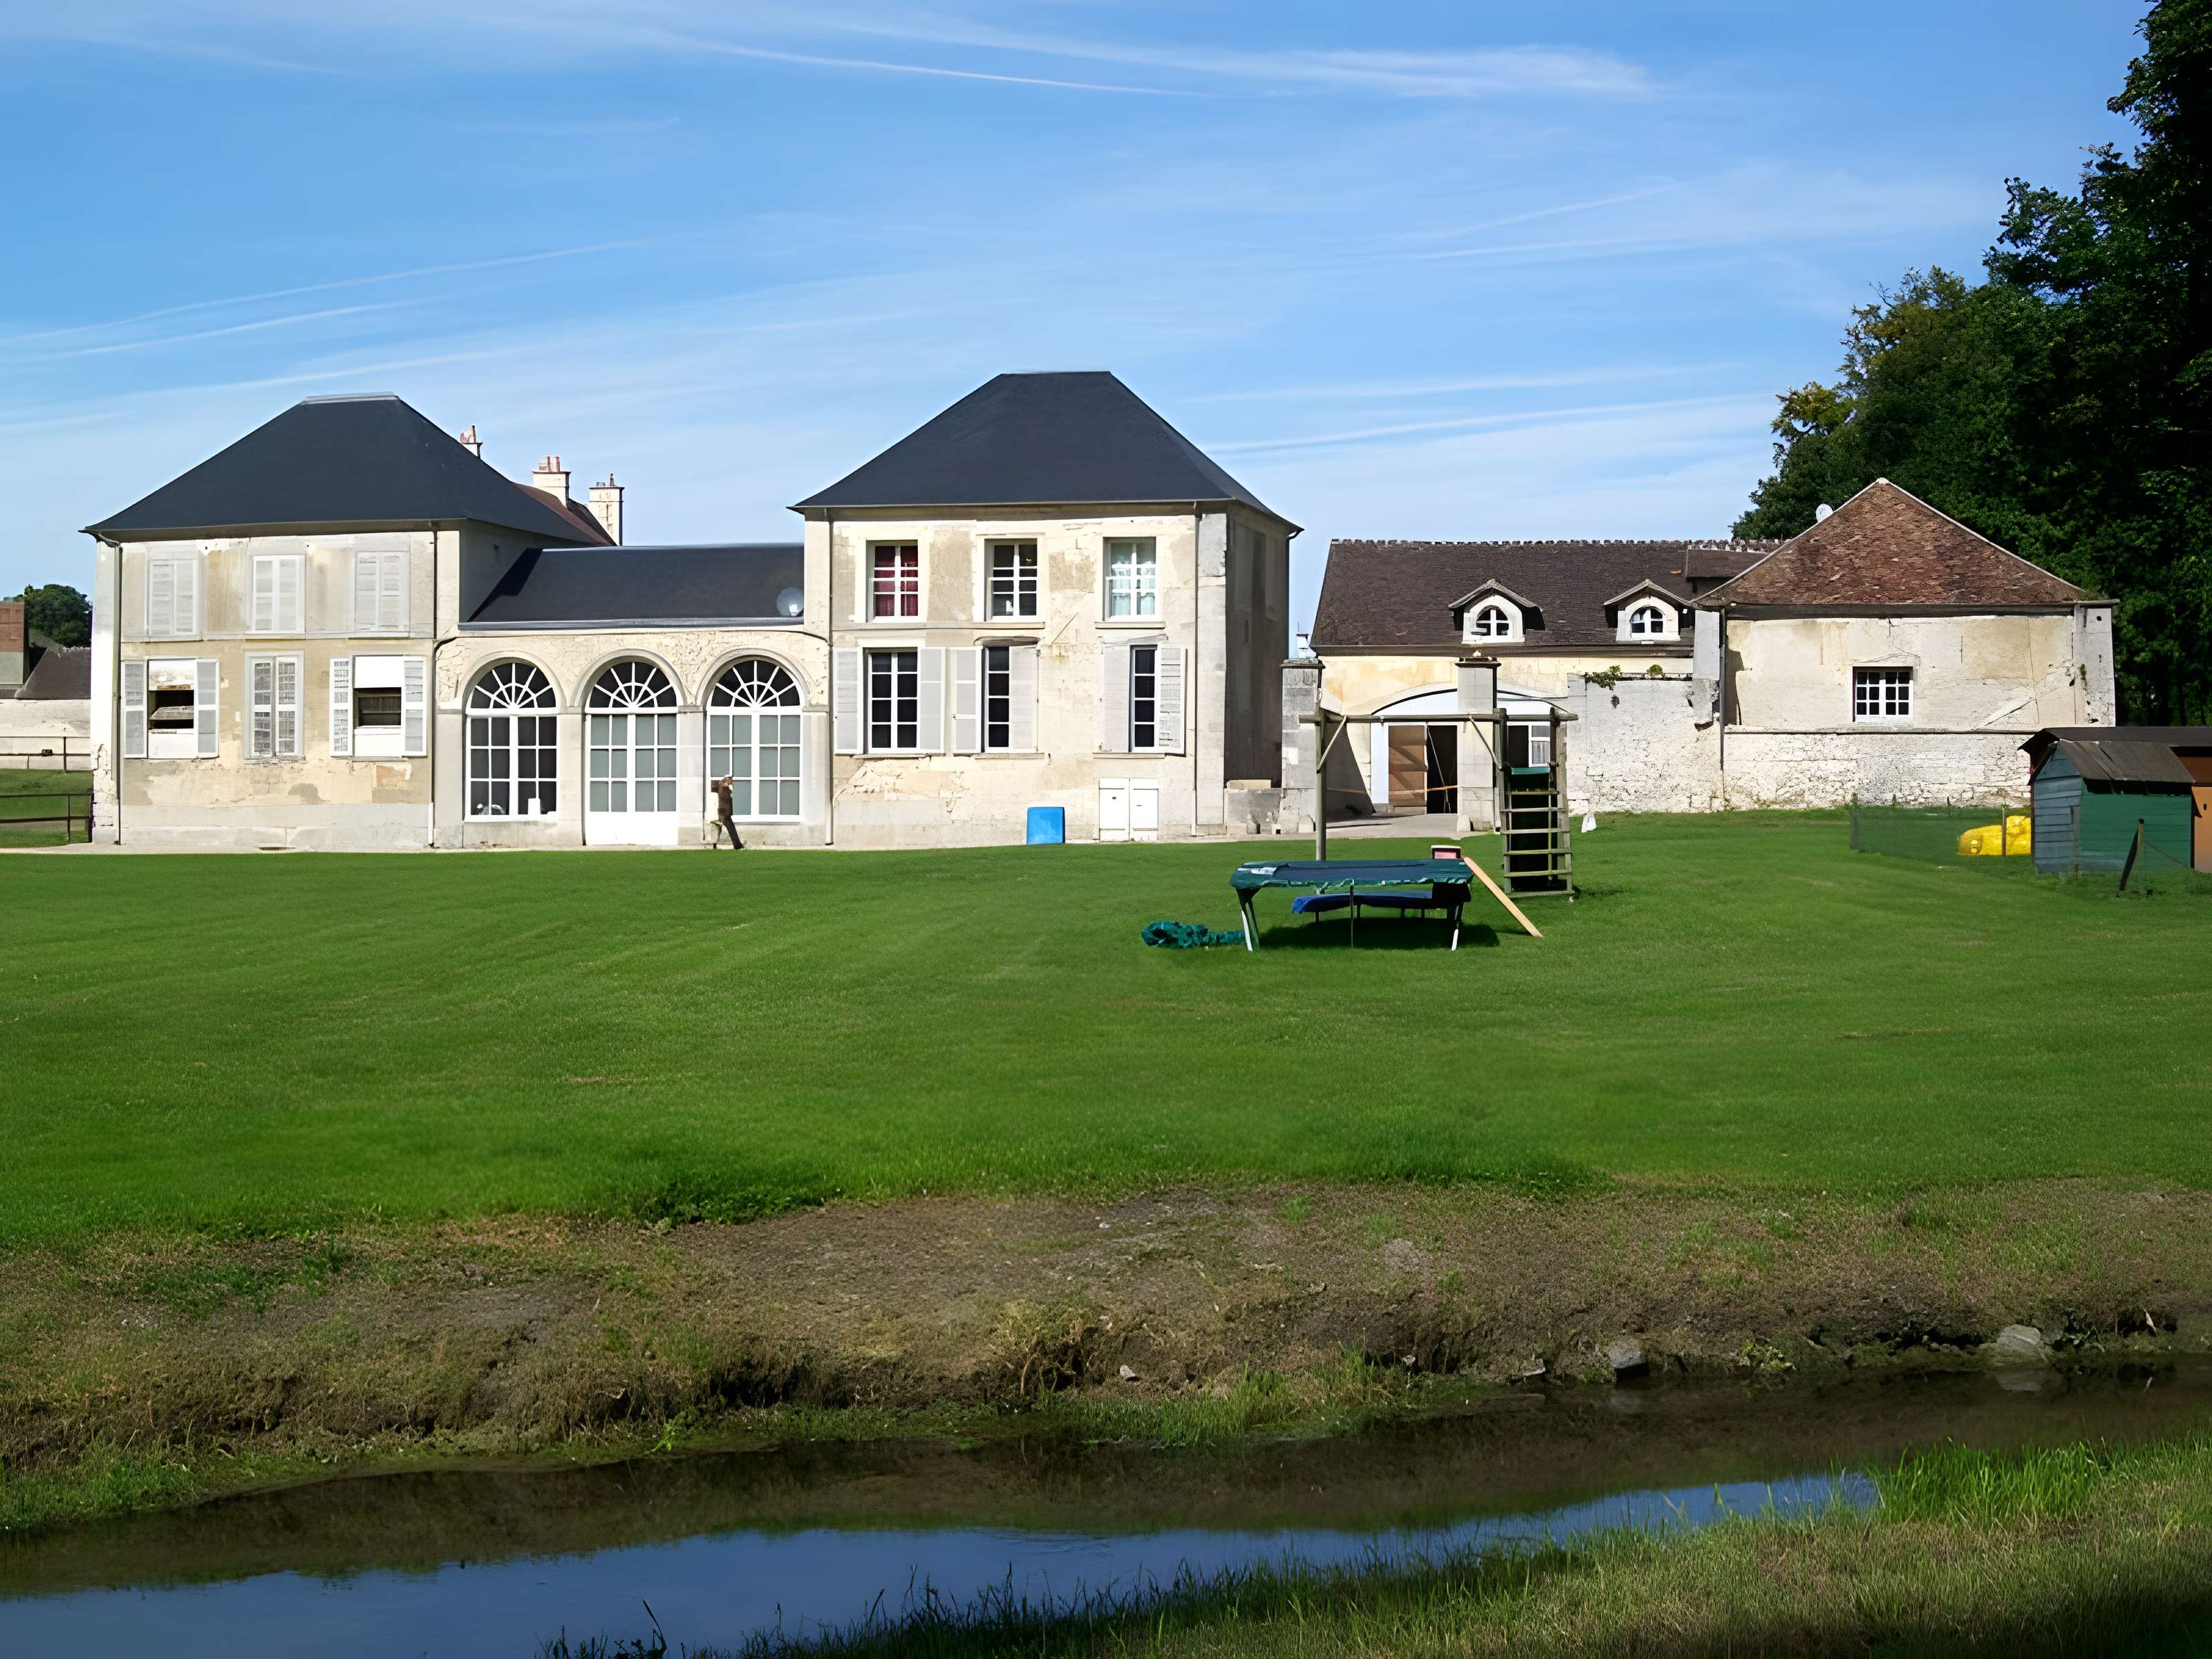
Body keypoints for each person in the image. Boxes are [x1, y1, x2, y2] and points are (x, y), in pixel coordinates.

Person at [713, 775, 743, 851]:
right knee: (730, 829)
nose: (732, 782)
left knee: (721, 828)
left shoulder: (721, 785)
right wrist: (731, 792)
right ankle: (737, 845)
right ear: (727, 779)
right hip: (725, 811)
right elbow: (727, 798)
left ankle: (737, 845)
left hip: (723, 811)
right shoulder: (724, 787)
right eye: (731, 780)